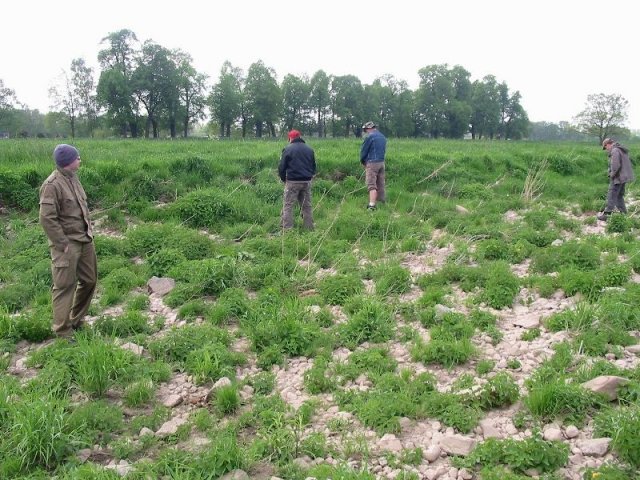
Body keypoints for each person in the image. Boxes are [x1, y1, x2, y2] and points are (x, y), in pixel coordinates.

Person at [39, 144, 97, 338]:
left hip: (85, 239)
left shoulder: (74, 178)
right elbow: (47, 218)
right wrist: (62, 243)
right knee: (65, 286)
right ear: (68, 161)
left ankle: (76, 321)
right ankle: (63, 332)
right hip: (67, 244)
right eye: (77, 157)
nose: (80, 160)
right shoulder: (52, 185)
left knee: (90, 280)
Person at [278, 129, 317, 230]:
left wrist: (283, 179)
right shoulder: (309, 149)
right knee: (307, 206)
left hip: (292, 181)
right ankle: (309, 228)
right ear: (300, 137)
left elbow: (282, 167)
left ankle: (287, 229)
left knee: (288, 205)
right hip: (307, 181)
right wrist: (310, 176)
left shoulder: (287, 149)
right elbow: (313, 166)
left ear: (290, 138)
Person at [598, 138, 635, 221]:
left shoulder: (615, 150)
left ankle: (607, 214)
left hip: (618, 177)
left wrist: (611, 174)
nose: (606, 149)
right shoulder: (621, 149)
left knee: (611, 195)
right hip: (624, 176)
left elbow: (616, 165)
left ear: (608, 144)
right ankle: (623, 213)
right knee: (619, 195)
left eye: (605, 147)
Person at [360, 121, 387, 210]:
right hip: (381, 162)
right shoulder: (383, 137)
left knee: (371, 184)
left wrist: (363, 162)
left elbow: (364, 151)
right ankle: (381, 203)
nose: (366, 132)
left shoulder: (370, 137)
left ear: (369, 128)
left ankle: (372, 205)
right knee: (380, 183)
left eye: (366, 130)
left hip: (372, 162)